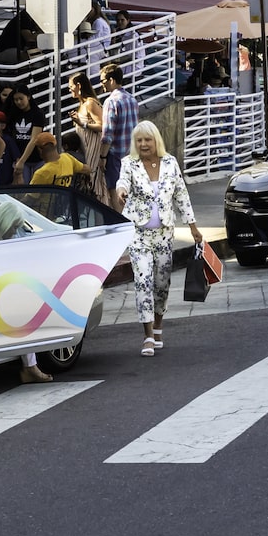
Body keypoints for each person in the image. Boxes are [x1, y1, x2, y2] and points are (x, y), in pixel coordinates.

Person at [116, 121, 204, 358]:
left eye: (148, 139)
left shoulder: (170, 163)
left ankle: (157, 327)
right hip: (138, 234)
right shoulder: (129, 164)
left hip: (165, 234)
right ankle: (147, 336)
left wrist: (193, 226)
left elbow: (181, 195)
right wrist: (121, 191)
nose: (143, 144)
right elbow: (122, 182)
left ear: (156, 141)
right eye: (139, 140)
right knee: (143, 280)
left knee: (161, 283)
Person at [98, 62, 139, 211]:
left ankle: (122, 224)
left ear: (111, 80)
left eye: (103, 81)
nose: (102, 85)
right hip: (132, 154)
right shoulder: (132, 99)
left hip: (115, 155)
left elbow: (107, 134)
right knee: (129, 191)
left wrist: (102, 158)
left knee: (115, 191)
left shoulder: (111, 101)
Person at [66, 73, 104, 164]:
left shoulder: (90, 103)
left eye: (71, 86)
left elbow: (102, 126)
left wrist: (82, 124)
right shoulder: (82, 103)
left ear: (78, 86)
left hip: (93, 148)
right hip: (84, 148)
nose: (69, 89)